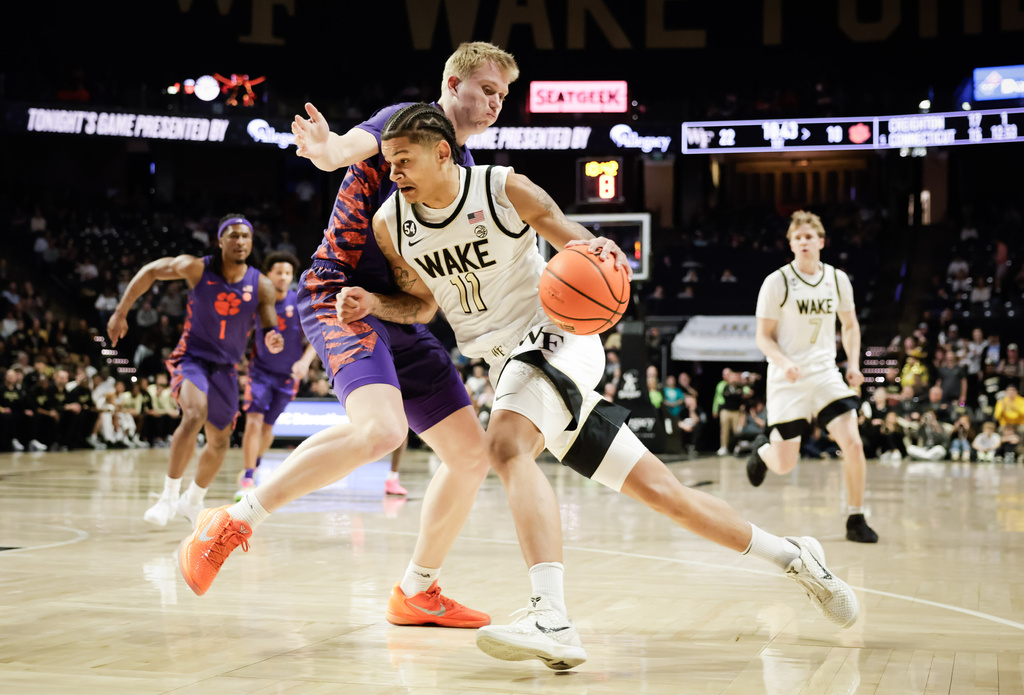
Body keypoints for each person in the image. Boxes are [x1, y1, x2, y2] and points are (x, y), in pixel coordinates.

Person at [338, 105, 859, 669]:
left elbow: (575, 241)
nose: (393, 172)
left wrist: (601, 254)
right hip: (505, 363)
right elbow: (422, 304)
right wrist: (375, 303)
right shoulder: (392, 224)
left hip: (556, 334)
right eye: (388, 162)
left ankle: (552, 618)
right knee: (665, 495)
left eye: (403, 160)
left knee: (505, 446)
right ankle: (796, 557)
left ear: (442, 153)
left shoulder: (502, 187)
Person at [176, 42, 520, 630]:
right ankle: (231, 523)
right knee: (383, 431)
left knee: (470, 455)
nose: (496, 103)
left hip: (394, 308)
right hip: (335, 294)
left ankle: (417, 591)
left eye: (504, 95)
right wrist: (328, 149)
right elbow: (344, 149)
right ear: (453, 82)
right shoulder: (405, 122)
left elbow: (428, 300)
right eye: (487, 89)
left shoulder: (463, 178)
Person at [107, 214, 284, 525]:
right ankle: (167, 497)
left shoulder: (261, 284)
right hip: (192, 359)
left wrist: (273, 338)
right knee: (193, 414)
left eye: (245, 236)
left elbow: (269, 325)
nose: (240, 241)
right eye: (233, 235)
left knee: (220, 441)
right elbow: (150, 272)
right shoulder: (196, 267)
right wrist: (121, 312)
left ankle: (192, 501)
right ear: (220, 240)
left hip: (226, 369)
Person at [745, 210, 879, 543]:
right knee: (785, 464)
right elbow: (763, 336)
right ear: (791, 243)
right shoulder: (776, 282)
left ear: (821, 242)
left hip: (824, 372)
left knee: (853, 442)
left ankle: (856, 517)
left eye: (809, 236)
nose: (804, 241)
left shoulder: (837, 279)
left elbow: (850, 325)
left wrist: (853, 364)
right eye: (798, 237)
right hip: (786, 377)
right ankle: (763, 451)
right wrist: (783, 362)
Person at [235, 252, 319, 501]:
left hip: (287, 376)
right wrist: (239, 365)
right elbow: (240, 335)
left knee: (268, 427)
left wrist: (305, 362)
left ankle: (255, 463)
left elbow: (315, 336)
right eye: (278, 272)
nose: (283, 277)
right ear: (267, 275)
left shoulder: (300, 302)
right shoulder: (258, 304)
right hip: (259, 372)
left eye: (288, 273)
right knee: (253, 421)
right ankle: (248, 476)